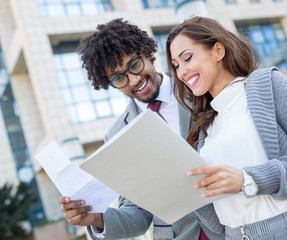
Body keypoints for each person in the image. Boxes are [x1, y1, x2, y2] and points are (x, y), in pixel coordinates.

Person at [166, 16, 287, 239]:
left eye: (187, 58)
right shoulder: (204, 126)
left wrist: (248, 179)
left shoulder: (267, 85)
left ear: (218, 51)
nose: (181, 72)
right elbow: (217, 216)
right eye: (175, 66)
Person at [58, 18, 213, 240]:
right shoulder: (117, 135)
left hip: (235, 222)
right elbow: (138, 213)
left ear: (147, 53)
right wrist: (96, 219)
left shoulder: (197, 88)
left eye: (134, 65)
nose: (133, 80)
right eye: (119, 78)